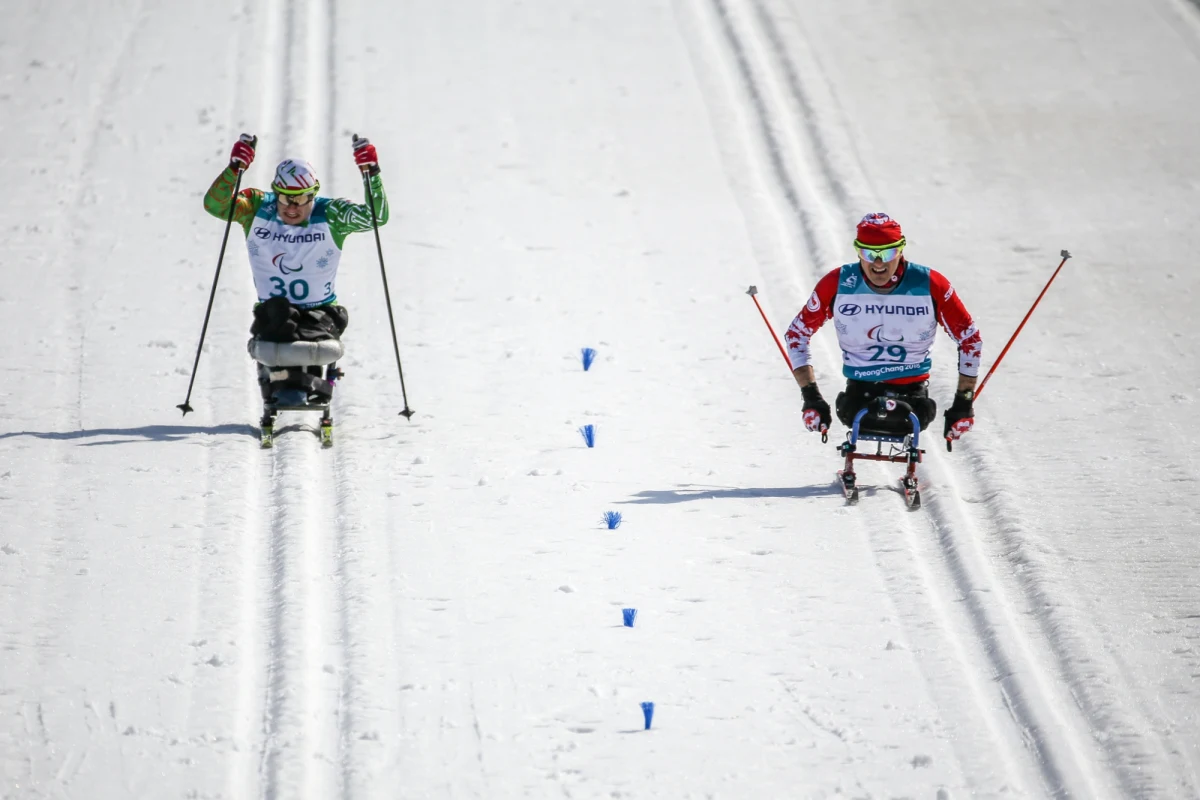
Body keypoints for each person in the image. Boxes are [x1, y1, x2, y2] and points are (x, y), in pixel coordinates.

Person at [203, 134, 389, 402]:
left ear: (313, 194)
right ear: (274, 192)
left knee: (300, 332)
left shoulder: (331, 213)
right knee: (279, 317)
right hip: (273, 312)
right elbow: (215, 205)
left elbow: (376, 217)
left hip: (321, 312)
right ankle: (287, 383)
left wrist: (371, 173)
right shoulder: (256, 206)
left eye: (301, 199)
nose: (292, 207)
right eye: (285, 197)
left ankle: (307, 383)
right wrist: (234, 169)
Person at [785, 212, 981, 445]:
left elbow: (970, 339)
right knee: (852, 409)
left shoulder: (930, 284)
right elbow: (797, 334)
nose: (878, 263)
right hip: (858, 396)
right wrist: (811, 398)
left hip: (913, 397)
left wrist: (963, 403)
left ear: (901, 249)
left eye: (887, 253)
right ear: (858, 251)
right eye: (869, 253)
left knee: (914, 412)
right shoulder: (838, 283)